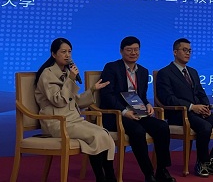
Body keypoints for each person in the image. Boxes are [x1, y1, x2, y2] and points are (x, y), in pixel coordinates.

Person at [34, 37, 116, 182]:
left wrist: (92, 89)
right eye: (63, 52)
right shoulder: (47, 74)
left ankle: (110, 176)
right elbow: (58, 101)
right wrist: (70, 80)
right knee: (96, 136)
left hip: (73, 120)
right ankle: (101, 178)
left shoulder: (66, 73)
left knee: (104, 134)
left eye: (69, 52)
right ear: (53, 54)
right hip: (57, 123)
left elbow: (75, 101)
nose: (67, 55)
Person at [156, 38, 213, 178]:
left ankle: (212, 159)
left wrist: (206, 107)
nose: (188, 53)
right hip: (180, 114)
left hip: (199, 112)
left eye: (190, 51)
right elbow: (167, 98)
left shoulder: (192, 72)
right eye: (184, 50)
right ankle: (202, 162)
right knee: (205, 127)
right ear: (175, 52)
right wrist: (192, 107)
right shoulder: (165, 73)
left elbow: (201, 92)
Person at [99, 36, 176, 182]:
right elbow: (107, 95)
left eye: (136, 49)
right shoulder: (112, 68)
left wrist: (147, 105)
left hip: (138, 112)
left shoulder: (143, 71)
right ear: (121, 51)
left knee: (162, 127)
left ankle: (162, 170)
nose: (133, 53)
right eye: (129, 50)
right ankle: (149, 173)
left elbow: (142, 96)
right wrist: (124, 112)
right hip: (117, 115)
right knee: (137, 131)